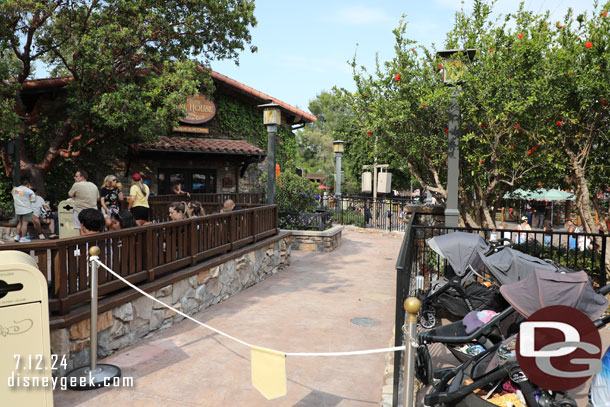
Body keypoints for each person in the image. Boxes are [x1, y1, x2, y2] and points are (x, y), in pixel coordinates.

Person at [68, 169, 99, 234]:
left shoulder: (77, 185)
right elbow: (98, 198)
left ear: (82, 177)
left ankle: (84, 244)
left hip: (80, 211)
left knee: (81, 231)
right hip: (93, 212)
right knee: (93, 230)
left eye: (76, 176)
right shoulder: (93, 185)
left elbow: (70, 195)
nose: (74, 178)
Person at [11, 176, 36, 242]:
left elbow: (14, 194)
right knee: (24, 224)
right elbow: (33, 200)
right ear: (28, 183)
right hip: (27, 210)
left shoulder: (14, 190)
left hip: (18, 209)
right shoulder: (30, 191)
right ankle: (23, 238)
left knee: (20, 223)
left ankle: (17, 236)